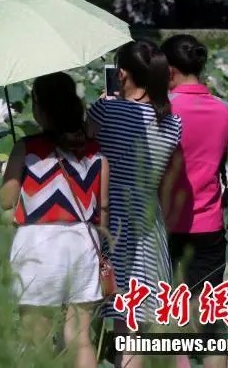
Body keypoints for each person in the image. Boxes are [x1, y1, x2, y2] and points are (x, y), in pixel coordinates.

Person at [0, 72, 109, 368]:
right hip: (82, 242)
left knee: (35, 338)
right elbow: (104, 208)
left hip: (37, 244)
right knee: (81, 337)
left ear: (39, 109)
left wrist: (10, 175)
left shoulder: (26, 148)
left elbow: (6, 199)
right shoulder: (96, 151)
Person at [87, 40, 183, 368]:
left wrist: (102, 103)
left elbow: (83, 151)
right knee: (137, 317)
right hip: (149, 217)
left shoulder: (105, 110)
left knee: (120, 315)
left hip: (112, 213)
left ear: (122, 73)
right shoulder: (172, 122)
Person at [161, 34, 228, 368]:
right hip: (210, 224)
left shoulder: (163, 112)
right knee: (210, 323)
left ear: (171, 71)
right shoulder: (224, 112)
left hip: (167, 223)